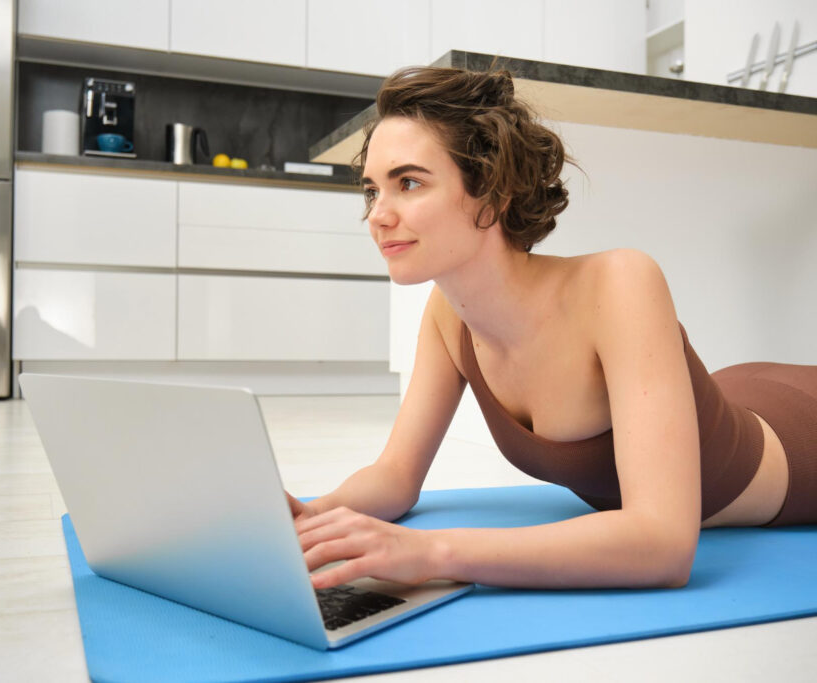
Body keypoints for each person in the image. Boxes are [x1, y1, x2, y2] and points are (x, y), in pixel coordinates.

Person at [285, 65, 817, 592]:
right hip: (741, 387)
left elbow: (663, 543)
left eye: (408, 182)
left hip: (801, 435)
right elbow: (396, 476)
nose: (379, 214)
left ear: (493, 191)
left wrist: (431, 551)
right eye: (372, 190)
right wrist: (311, 518)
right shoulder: (448, 316)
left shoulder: (620, 284)